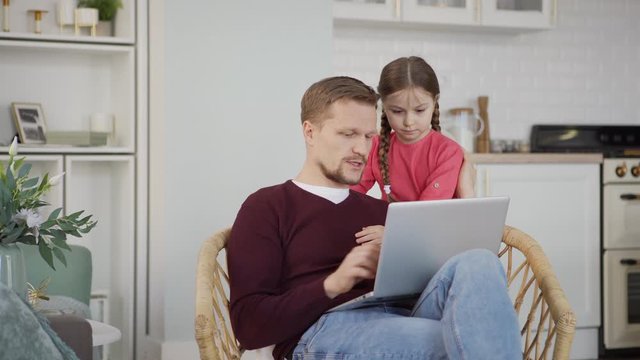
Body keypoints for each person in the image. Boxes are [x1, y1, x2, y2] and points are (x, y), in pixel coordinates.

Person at [227, 76, 520, 360]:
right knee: (468, 340)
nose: (362, 149)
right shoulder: (267, 206)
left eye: (368, 137)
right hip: (324, 328)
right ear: (310, 132)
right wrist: (333, 284)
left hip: (403, 315)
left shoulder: (385, 213)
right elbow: (249, 325)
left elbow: (460, 286)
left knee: (479, 261)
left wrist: (465, 191)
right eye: (348, 134)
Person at [352, 56, 475, 202]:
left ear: (435, 101)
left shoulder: (448, 152)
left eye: (419, 110)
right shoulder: (374, 147)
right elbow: (350, 195)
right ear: (384, 105)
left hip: (430, 224)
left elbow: (427, 213)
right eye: (397, 111)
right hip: (388, 224)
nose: (408, 122)